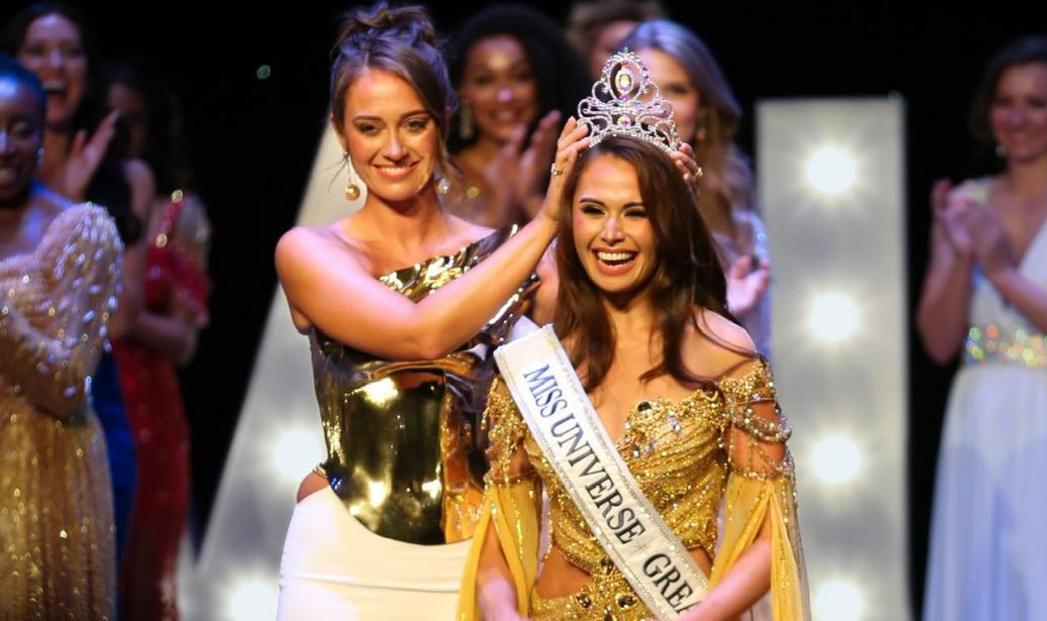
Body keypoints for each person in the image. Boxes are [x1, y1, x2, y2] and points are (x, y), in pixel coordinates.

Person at [459, 50, 808, 621]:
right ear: (568, 219)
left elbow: (771, 534)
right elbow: (499, 531)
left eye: (636, 212)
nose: (611, 234)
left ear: (665, 223)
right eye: (593, 210)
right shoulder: (537, 364)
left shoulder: (723, 353)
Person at [272, 4, 589, 619]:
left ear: (444, 120)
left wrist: (659, 203)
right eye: (369, 128)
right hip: (339, 561)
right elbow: (418, 335)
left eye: (413, 124)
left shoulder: (511, 256)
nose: (393, 148)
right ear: (341, 131)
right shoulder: (311, 253)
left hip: (481, 562)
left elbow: (607, 362)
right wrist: (546, 222)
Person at [917, 35, 1047, 621]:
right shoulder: (968, 202)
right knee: (978, 580)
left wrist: (998, 269)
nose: (1018, 118)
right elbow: (939, 340)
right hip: (977, 414)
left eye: (1037, 103)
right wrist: (954, 250)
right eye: (1006, 102)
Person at [4, 1, 151, 581]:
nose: (54, 64)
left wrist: (66, 213)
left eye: (69, 51)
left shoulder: (117, 178)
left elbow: (118, 319)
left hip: (80, 404)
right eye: (37, 51)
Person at [0, 54, 123, 619]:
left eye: (21, 130)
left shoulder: (80, 229)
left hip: (43, 473)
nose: (5, 147)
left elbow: (69, 383)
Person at [103, 58, 210, 621]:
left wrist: (119, 316)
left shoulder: (179, 213)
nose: (121, 134)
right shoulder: (67, 201)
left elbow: (186, 339)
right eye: (110, 118)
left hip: (151, 416)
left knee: (144, 576)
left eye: (133, 122)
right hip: (77, 400)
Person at [621, 20, 771, 357]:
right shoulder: (583, 204)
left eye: (675, 90)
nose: (656, 108)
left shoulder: (738, 218)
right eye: (641, 90)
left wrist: (726, 311)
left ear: (701, 112)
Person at [446, 4, 590, 228]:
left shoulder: (578, 168)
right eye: (484, 80)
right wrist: (501, 206)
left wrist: (531, 197)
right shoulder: (438, 176)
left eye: (521, 76)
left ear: (542, 82)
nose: (504, 96)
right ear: (462, 91)